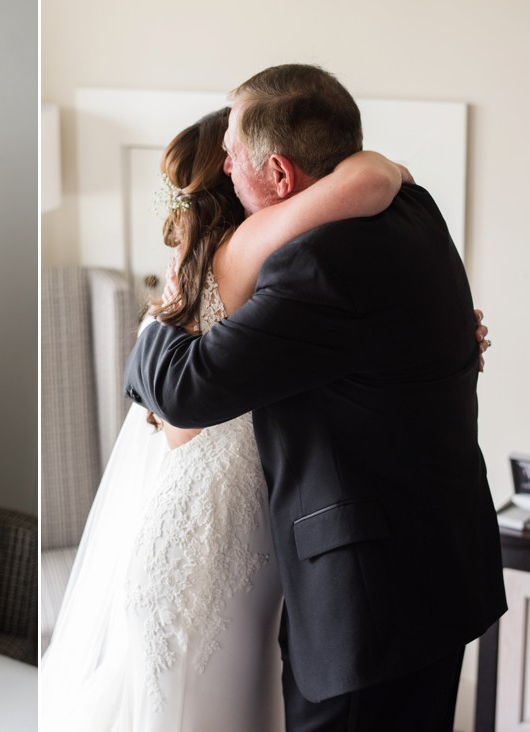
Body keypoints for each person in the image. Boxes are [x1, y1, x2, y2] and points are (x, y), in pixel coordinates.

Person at [123, 64, 506, 731]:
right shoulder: (412, 207)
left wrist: (178, 282)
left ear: (279, 175)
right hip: (441, 567)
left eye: (235, 155)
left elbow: (181, 391)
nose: (225, 166)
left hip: (369, 611)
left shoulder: (317, 268)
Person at [42, 105, 427, 730]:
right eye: (231, 156)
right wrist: (380, 163)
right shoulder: (245, 250)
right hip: (209, 527)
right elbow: (181, 426)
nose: (234, 160)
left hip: (243, 528)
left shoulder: (214, 263)